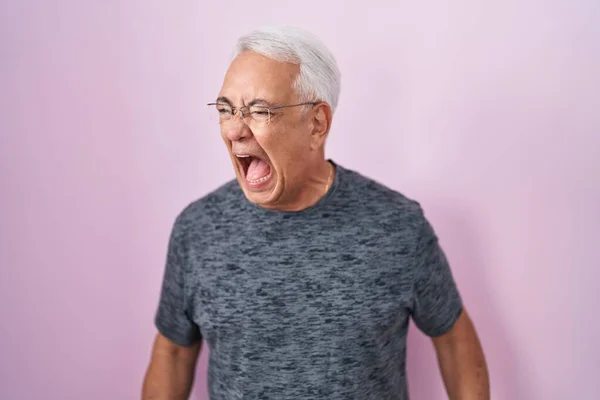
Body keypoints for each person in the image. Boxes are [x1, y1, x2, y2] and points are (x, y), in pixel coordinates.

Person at [142, 25, 490, 400]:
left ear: (316, 123)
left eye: (259, 110)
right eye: (226, 110)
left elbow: (454, 340)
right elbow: (174, 352)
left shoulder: (397, 226)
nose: (234, 130)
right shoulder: (197, 230)